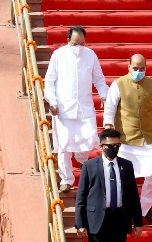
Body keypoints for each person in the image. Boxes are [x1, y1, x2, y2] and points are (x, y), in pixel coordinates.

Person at [44, 25, 109, 193]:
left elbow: (99, 79)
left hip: (84, 107)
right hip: (63, 108)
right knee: (64, 146)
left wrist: (104, 95)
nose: (78, 48)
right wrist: (52, 101)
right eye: (75, 44)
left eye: (82, 44)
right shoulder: (58, 55)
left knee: (88, 140)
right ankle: (66, 180)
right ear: (68, 41)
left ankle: (81, 158)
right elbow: (49, 81)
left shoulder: (90, 55)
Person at [103, 54, 152, 222]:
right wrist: (109, 127)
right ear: (128, 67)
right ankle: (129, 207)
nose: (138, 71)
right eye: (135, 68)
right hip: (125, 140)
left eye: (142, 69)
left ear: (146, 68)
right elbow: (109, 108)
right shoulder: (118, 84)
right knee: (121, 178)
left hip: (149, 139)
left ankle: (143, 207)